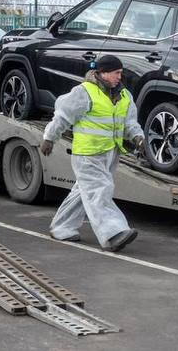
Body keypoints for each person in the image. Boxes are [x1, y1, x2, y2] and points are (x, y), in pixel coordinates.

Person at [40, 54, 144, 252]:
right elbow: (62, 117)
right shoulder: (84, 92)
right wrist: (49, 138)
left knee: (84, 192)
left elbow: (130, 122)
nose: (119, 77)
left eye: (120, 73)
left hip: (110, 153)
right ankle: (113, 233)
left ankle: (62, 227)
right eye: (116, 73)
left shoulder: (124, 95)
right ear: (102, 73)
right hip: (87, 154)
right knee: (99, 190)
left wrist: (138, 138)